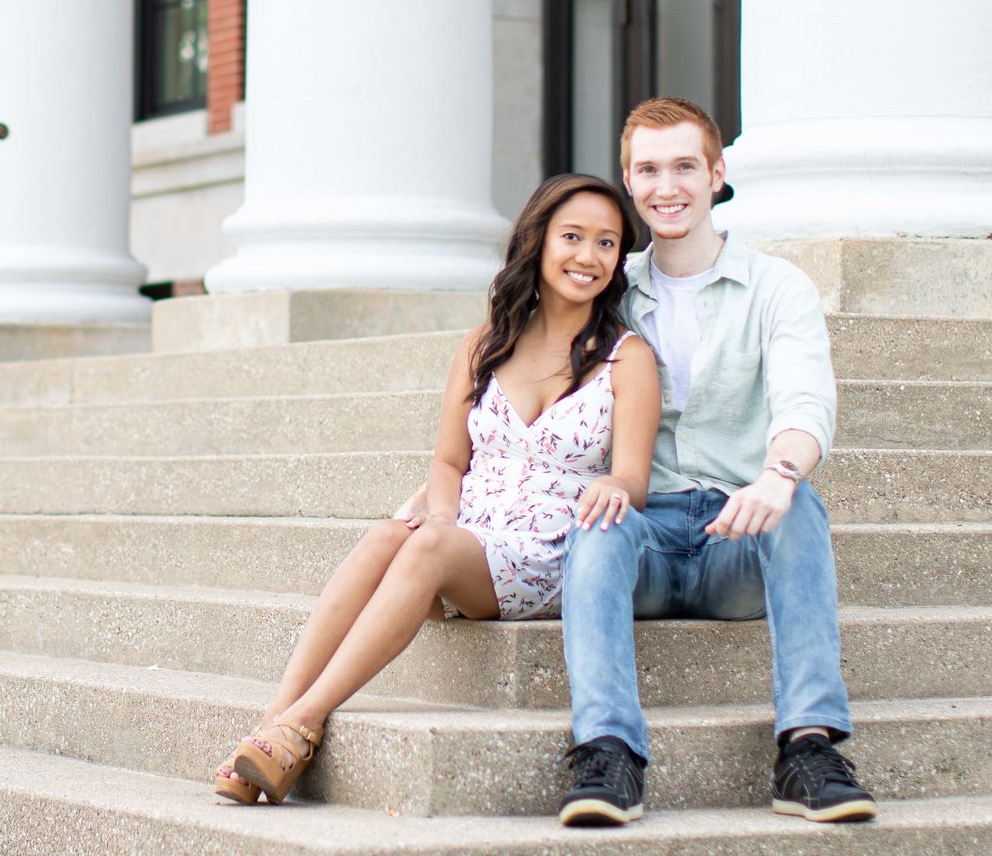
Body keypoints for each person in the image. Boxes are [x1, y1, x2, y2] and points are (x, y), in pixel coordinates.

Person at [217, 174, 662, 804]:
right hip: (472, 533)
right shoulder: (487, 343)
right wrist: (443, 518)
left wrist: (613, 487)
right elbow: (450, 461)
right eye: (572, 237)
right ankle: (270, 723)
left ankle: (301, 724)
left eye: (607, 243)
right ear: (537, 242)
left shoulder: (627, 356)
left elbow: (633, 480)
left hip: (551, 551)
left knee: (424, 549)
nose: (588, 257)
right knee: (385, 538)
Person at [555, 96, 875, 829]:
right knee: (597, 521)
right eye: (648, 169)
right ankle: (608, 753)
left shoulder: (776, 286)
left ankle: (808, 746)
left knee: (802, 504)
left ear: (717, 174)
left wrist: (779, 472)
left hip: (739, 531)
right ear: (628, 181)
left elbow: (804, 404)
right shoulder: (608, 285)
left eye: (684, 167)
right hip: (646, 536)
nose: (666, 186)